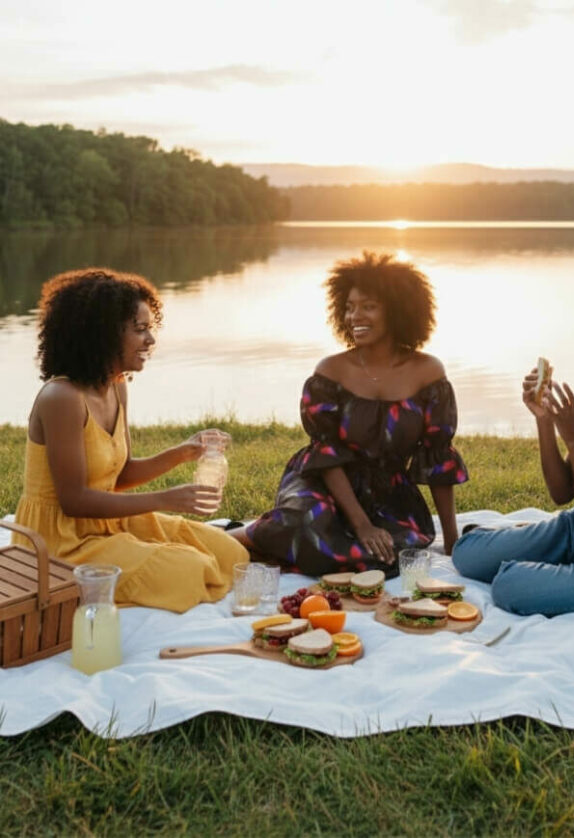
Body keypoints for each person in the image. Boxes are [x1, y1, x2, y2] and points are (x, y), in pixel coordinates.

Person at [13, 268, 248, 612]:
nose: (151, 340)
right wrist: (165, 499)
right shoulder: (61, 398)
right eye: (140, 329)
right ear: (103, 333)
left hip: (105, 524)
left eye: (151, 328)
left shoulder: (117, 386)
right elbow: (74, 501)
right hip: (61, 543)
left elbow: (120, 475)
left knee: (229, 552)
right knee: (191, 569)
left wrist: (182, 452)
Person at [229, 251, 468, 576]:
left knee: (392, 553)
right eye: (350, 307)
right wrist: (361, 525)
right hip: (326, 481)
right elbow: (326, 456)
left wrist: (452, 540)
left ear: (398, 310)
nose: (354, 316)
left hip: (389, 493)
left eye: (368, 306)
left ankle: (275, 548)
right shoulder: (331, 372)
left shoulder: (428, 372)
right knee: (305, 524)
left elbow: (438, 458)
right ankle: (232, 538)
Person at [452, 308, 574, 617]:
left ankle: (556, 570)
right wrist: (544, 418)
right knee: (466, 554)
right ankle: (551, 560)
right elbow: (561, 493)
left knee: (509, 585)